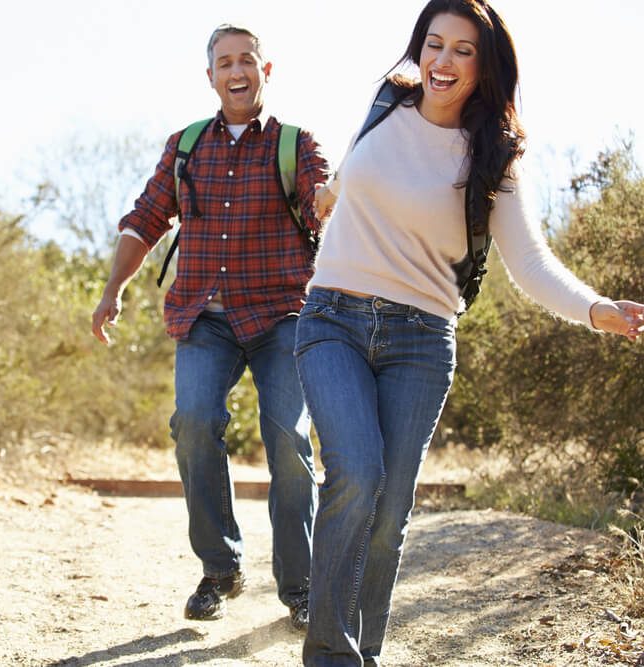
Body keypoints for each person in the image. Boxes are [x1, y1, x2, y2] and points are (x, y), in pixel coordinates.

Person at [296, 1, 644, 665]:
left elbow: (530, 262)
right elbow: (352, 176)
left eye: (462, 49)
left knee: (391, 509)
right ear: (418, 49)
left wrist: (596, 308)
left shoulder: (494, 158)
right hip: (332, 317)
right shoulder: (384, 103)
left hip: (420, 340)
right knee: (356, 472)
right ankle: (329, 655)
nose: (442, 60)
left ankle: (361, 650)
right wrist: (328, 197)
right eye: (434, 44)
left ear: (484, 67)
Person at [90, 24, 330, 630]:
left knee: (289, 442)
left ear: (265, 70)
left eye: (247, 59)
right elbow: (145, 219)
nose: (236, 70)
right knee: (194, 423)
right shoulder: (186, 146)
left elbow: (319, 201)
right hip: (203, 314)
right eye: (225, 62)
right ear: (211, 76)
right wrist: (112, 289)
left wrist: (330, 196)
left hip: (281, 316)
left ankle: (301, 587)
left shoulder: (296, 144)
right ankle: (220, 569)